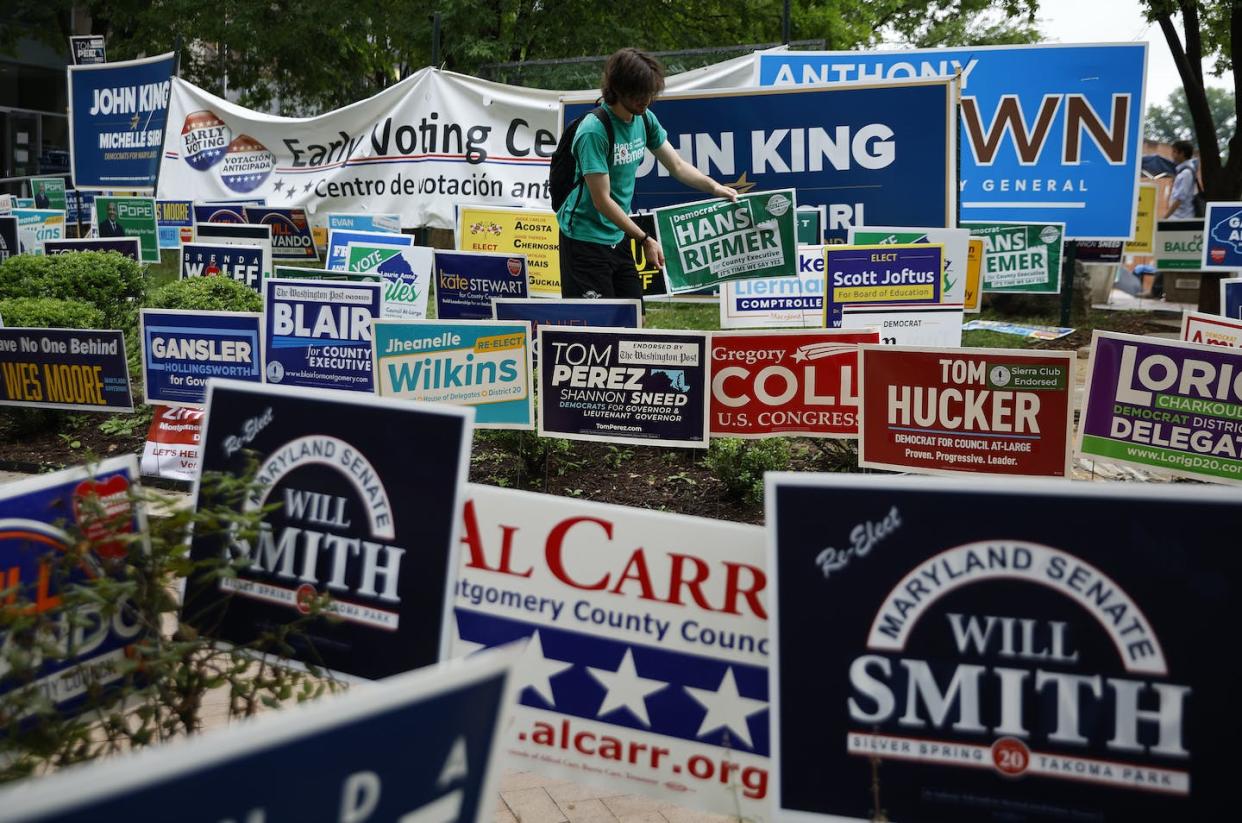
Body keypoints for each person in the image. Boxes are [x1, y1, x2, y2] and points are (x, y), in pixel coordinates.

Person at [557, 47, 737, 299]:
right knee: (597, 328)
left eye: (650, 92)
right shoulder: (593, 131)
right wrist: (644, 239)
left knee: (634, 319)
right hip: (584, 240)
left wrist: (715, 187)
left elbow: (677, 165)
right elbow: (602, 201)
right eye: (639, 93)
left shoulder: (644, 118)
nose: (646, 99)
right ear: (618, 88)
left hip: (617, 235)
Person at [1163, 140, 1199, 219]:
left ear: (1182, 153)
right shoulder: (1184, 171)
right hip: (1178, 217)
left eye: (1174, 152)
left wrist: (1165, 218)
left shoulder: (1186, 173)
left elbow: (1179, 199)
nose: (1172, 155)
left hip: (1181, 218)